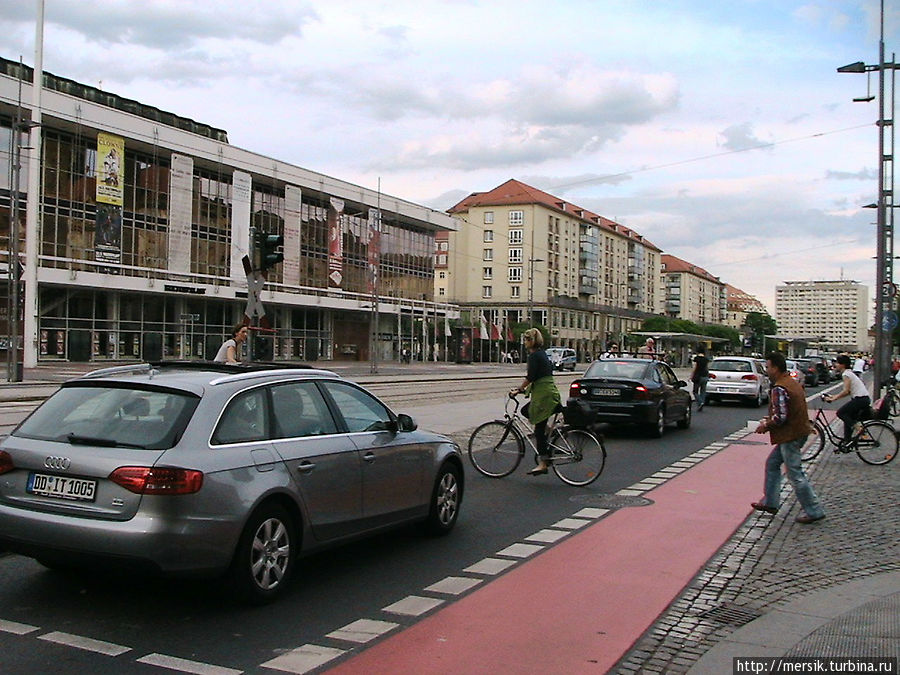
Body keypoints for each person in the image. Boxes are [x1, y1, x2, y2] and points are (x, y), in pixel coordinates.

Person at [752, 352, 825, 524]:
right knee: (772, 464)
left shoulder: (779, 387)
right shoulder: (791, 382)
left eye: (768, 367)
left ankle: (814, 510)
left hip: (790, 435)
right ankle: (770, 502)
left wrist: (766, 425)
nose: (767, 370)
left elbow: (781, 417)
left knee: (795, 474)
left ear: (775, 368)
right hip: (797, 431)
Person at [509, 328, 562, 476]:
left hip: (544, 396)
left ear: (531, 341)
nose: (524, 342)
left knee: (538, 431)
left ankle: (543, 463)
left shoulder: (534, 356)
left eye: (526, 339)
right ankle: (548, 436)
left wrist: (519, 389)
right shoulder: (542, 354)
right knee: (526, 411)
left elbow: (531, 376)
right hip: (547, 393)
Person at [823, 354, 870, 450]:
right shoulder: (849, 373)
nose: (835, 364)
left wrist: (834, 399)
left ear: (842, 365)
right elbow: (848, 391)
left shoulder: (846, 374)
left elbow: (846, 391)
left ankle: (860, 430)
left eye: (837, 363)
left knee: (840, 413)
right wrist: (833, 396)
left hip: (860, 399)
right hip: (863, 399)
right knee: (848, 417)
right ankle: (847, 442)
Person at [691, 344, 710, 411]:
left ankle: (700, 402)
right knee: (703, 391)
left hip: (698, 376)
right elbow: (707, 368)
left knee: (695, 391)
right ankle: (702, 402)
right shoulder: (706, 359)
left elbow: (694, 368)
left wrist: (691, 376)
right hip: (705, 376)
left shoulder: (696, 359)